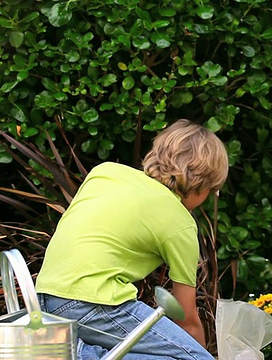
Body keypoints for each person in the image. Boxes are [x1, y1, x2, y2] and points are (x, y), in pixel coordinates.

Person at [36, 119, 228, 359]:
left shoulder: (105, 172)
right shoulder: (180, 221)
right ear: (203, 184)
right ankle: (79, 355)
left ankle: (80, 351)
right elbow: (187, 319)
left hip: (44, 298)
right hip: (95, 303)